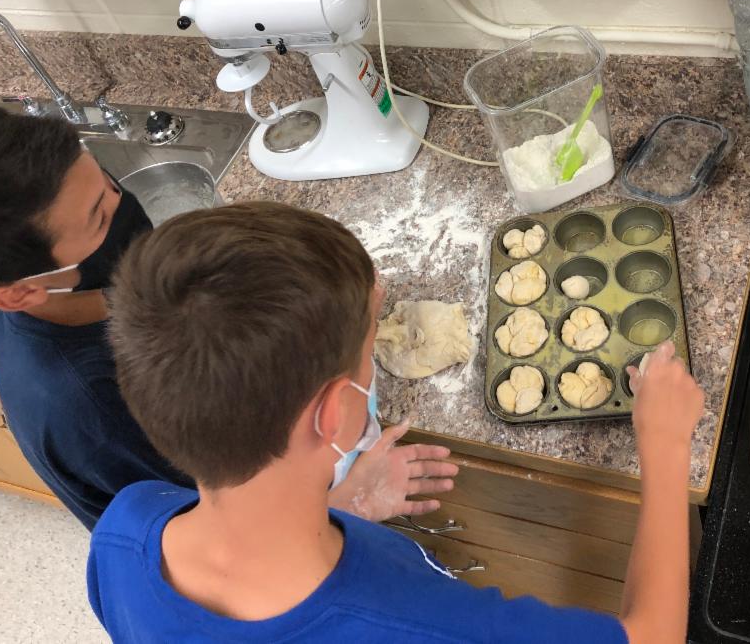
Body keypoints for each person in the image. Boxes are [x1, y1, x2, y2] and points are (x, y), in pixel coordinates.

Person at [91, 201, 705, 642]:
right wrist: (665, 445)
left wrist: (345, 506)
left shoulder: (124, 531)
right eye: (369, 350)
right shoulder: (433, 624)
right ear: (334, 412)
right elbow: (652, 635)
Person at [0, 109, 454, 531]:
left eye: (107, 181)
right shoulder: (91, 411)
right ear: (22, 294)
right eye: (100, 217)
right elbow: (219, 537)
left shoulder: (54, 283)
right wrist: (351, 501)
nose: (123, 205)